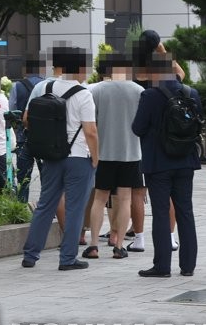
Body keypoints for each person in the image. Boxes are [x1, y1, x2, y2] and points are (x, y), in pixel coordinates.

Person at [20, 45, 98, 271]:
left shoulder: (44, 86)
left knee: (45, 205)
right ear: (80, 69)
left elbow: (27, 118)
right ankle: (67, 258)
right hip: (78, 158)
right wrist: (96, 158)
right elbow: (91, 131)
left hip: (50, 155)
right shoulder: (84, 94)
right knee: (75, 208)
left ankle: (30, 255)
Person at [132, 52, 201, 278]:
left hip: (158, 163)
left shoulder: (150, 95)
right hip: (185, 161)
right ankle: (188, 265)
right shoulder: (192, 93)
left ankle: (162, 266)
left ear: (154, 71)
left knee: (161, 213)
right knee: (185, 211)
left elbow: (137, 128)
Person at [84, 54, 144, 259]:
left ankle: (93, 245)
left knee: (100, 199)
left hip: (104, 154)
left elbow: (91, 122)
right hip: (131, 153)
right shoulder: (138, 91)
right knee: (125, 199)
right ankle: (119, 245)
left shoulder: (97, 90)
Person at [11, 55, 46, 203]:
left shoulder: (17, 86)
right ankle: (46, 206)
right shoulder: (47, 85)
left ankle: (21, 206)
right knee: (46, 176)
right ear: (41, 69)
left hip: (23, 137)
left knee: (23, 176)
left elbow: (11, 109)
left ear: (25, 69)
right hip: (44, 138)